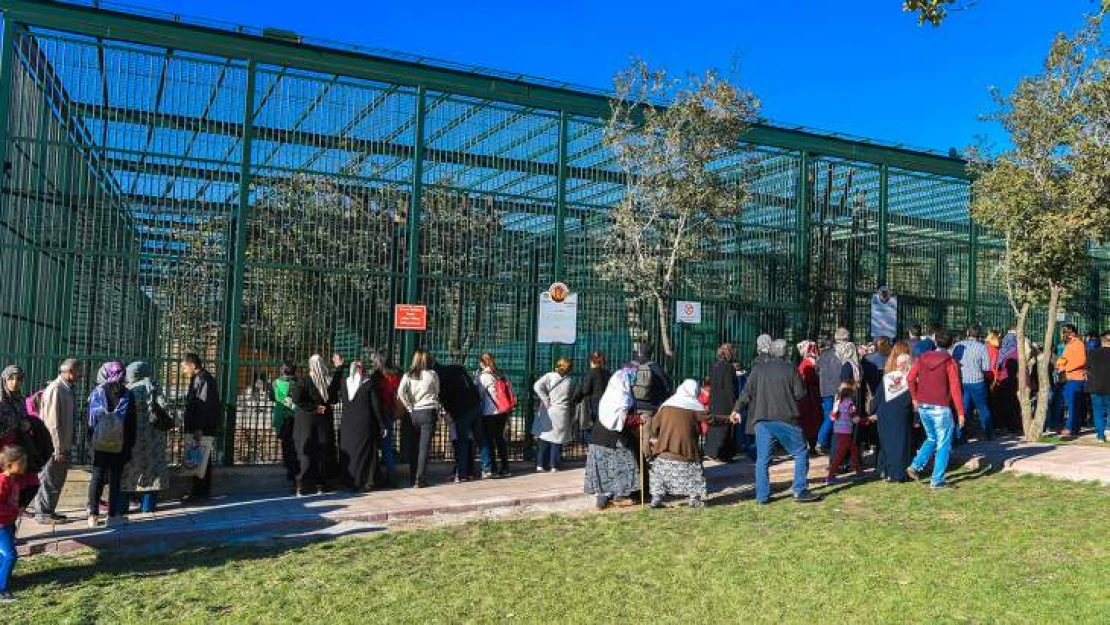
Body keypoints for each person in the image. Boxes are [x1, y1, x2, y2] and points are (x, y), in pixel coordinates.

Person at [731, 335, 820, 505]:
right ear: (786, 352)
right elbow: (800, 394)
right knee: (800, 452)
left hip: (762, 418)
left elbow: (746, 393)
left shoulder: (758, 369)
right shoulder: (790, 369)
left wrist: (736, 410)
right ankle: (799, 490)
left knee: (762, 459)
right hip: (785, 417)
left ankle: (762, 496)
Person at [648, 379, 738, 509]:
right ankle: (694, 498)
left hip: (664, 450)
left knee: (659, 473)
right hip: (687, 451)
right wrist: (729, 419)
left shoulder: (666, 406)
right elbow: (711, 420)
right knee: (695, 473)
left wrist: (655, 438)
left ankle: (656, 497)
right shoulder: (694, 407)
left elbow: (654, 425)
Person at [906, 330, 965, 490]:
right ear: (951, 344)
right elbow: (955, 388)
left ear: (935, 341)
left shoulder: (921, 358)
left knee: (932, 438)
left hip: (923, 406)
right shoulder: (950, 362)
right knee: (943, 443)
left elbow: (910, 378)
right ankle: (937, 480)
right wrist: (960, 411)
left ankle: (916, 465)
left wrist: (915, 397)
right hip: (941, 407)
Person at [28, 359, 80, 524]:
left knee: (57, 479)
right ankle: (42, 513)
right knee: (49, 479)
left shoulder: (67, 389)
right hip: (53, 446)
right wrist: (56, 449)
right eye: (79, 371)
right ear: (70, 371)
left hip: (63, 445)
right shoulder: (56, 389)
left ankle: (49, 511)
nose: (81, 375)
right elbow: (52, 423)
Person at [86, 361, 136, 527]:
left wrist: (89, 443)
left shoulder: (97, 393)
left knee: (97, 478)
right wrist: (130, 446)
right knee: (115, 480)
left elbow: (91, 421)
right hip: (119, 444)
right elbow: (131, 423)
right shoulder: (128, 394)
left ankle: (93, 515)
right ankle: (112, 515)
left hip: (99, 444)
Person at [584, 366, 641, 509]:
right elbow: (620, 418)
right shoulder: (620, 396)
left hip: (599, 437)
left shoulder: (611, 393)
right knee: (625, 463)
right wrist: (637, 420)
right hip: (613, 439)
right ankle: (619, 496)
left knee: (605, 469)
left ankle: (603, 497)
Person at [291, 354, 344, 495]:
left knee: (321, 451)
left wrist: (339, 368)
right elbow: (296, 399)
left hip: (319, 422)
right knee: (310, 452)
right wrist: (315, 408)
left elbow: (332, 397)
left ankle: (318, 484)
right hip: (309, 423)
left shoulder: (323, 381)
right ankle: (303, 485)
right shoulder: (307, 381)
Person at [121, 362, 168, 514]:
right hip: (153, 436)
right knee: (152, 470)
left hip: (131, 437)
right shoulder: (154, 387)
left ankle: (122, 506)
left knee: (128, 472)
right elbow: (164, 407)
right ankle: (148, 506)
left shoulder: (128, 389)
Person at [338, 359, 385, 492]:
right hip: (363, 424)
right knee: (363, 452)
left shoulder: (344, 383)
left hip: (347, 423)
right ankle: (363, 481)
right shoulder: (369, 384)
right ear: (360, 370)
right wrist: (382, 424)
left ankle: (348, 480)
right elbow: (376, 406)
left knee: (350, 451)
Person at [397, 349, 440, 488]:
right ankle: (420, 479)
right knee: (423, 448)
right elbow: (437, 391)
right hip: (428, 411)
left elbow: (400, 392)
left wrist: (409, 406)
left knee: (414, 446)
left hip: (413, 412)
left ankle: (412, 476)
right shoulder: (432, 374)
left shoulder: (408, 375)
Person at [181, 353, 221, 501]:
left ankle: (199, 493)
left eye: (184, 367)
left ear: (192, 365)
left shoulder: (202, 379)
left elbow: (203, 406)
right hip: (201, 426)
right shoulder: (200, 377)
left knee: (200, 460)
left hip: (201, 428)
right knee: (200, 459)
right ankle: (199, 492)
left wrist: (199, 428)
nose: (184, 370)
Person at [435, 359, 483, 482]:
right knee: (475, 439)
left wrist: (450, 412)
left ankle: (461, 473)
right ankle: (479, 469)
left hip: (461, 412)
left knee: (461, 442)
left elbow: (444, 398)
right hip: (474, 406)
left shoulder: (441, 377)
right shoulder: (459, 372)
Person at [874, 348, 915, 482]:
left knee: (886, 444)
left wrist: (872, 412)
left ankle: (885, 471)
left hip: (884, 414)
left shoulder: (887, 377)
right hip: (900, 415)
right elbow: (912, 399)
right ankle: (899, 474)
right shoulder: (910, 378)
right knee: (900, 444)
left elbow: (877, 398)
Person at [532, 358, 574, 472]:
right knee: (557, 439)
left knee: (544, 437)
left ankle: (540, 464)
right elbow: (571, 396)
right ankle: (554, 465)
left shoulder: (550, 376)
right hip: (562, 411)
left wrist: (545, 399)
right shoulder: (569, 381)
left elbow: (536, 386)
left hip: (549, 409)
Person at [954, 326, 994, 441]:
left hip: (962, 381)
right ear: (979, 334)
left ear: (967, 333)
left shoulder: (958, 345)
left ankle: (960, 435)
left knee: (963, 409)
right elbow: (986, 367)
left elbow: (953, 362)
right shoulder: (982, 347)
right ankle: (988, 434)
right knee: (982, 408)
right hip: (977, 382)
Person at [475, 353, 512, 479]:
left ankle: (491, 469)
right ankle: (505, 468)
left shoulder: (484, 377)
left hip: (489, 413)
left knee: (488, 440)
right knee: (500, 439)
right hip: (502, 411)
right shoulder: (501, 374)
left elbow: (478, 394)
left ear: (482, 363)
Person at [0, 445, 27, 603]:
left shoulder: (13, 481)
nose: (25, 465)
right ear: (10, 464)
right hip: (1, 525)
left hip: (7, 524)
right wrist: (12, 511)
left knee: (4, 556)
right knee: (11, 556)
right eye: (22, 462)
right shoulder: (3, 481)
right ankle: (2, 590)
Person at [370, 352, 402, 486]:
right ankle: (392, 477)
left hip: (377, 413)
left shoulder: (377, 377)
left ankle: (378, 476)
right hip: (389, 412)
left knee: (374, 446)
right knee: (387, 447)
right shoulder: (395, 376)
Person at [706, 343, 739, 461]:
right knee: (725, 428)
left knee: (714, 426)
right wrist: (734, 405)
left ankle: (711, 451)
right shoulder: (729, 368)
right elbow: (730, 388)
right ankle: (724, 455)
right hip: (725, 402)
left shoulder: (714, 366)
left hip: (714, 400)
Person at [826, 380, 863, 485]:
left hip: (837, 431)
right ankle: (830, 476)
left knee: (854, 449)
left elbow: (832, 417)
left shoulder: (837, 402)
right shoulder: (850, 404)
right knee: (839, 455)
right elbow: (855, 419)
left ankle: (858, 470)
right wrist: (867, 420)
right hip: (845, 432)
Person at [571, 351, 611, 446]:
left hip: (592, 403)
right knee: (602, 426)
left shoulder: (591, 373)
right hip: (606, 403)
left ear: (592, 361)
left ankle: (591, 447)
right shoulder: (608, 373)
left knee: (589, 425)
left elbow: (585, 390)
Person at [1056, 323, 1088, 438]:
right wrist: (1059, 363)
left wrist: (1065, 368)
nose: (1064, 334)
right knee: (1070, 404)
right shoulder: (1069, 344)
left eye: (1066, 332)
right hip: (1069, 378)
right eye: (1064, 332)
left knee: (1073, 405)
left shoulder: (1078, 344)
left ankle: (1071, 428)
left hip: (1076, 378)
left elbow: (1081, 360)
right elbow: (1064, 358)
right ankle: (1072, 427)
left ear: (1073, 333)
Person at [271, 363, 299, 488]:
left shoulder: (276, 383)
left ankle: (290, 471)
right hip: (295, 417)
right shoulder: (298, 383)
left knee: (286, 447)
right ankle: (295, 475)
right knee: (296, 447)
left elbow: (272, 397)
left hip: (282, 419)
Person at [796, 341, 822, 448]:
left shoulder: (805, 364)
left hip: (809, 397)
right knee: (811, 421)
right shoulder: (807, 364)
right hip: (810, 397)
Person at [1087, 331, 1110, 443]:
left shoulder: (1092, 353)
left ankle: (1100, 436)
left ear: (1101, 341)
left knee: (1098, 411)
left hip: (1096, 386)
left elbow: (1088, 368)